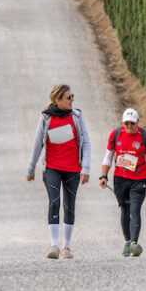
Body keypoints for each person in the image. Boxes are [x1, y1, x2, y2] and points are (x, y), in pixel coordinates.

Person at [27, 85, 91, 260]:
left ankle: (66, 247)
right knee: (54, 201)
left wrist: (86, 169)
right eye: (68, 97)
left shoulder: (77, 116)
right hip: (52, 168)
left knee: (69, 205)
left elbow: (86, 143)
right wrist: (31, 168)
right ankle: (54, 245)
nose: (72, 100)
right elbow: (37, 144)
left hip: (73, 168)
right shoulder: (46, 118)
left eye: (72, 96)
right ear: (58, 100)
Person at [99, 108, 146, 257]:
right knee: (125, 210)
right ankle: (127, 242)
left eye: (132, 123)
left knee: (135, 209)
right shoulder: (116, 134)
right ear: (123, 123)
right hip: (120, 179)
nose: (129, 126)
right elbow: (108, 156)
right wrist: (104, 175)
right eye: (126, 123)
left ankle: (134, 243)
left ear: (137, 122)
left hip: (139, 179)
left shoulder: (145, 137)